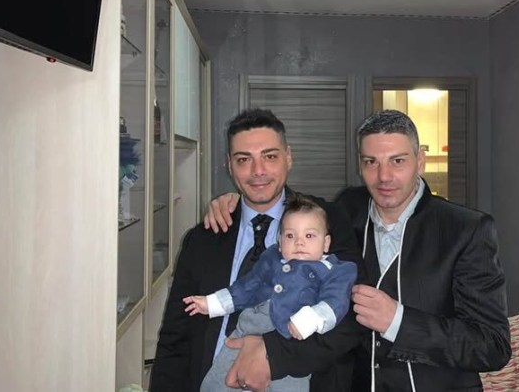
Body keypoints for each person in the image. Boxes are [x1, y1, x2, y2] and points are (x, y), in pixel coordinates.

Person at [204, 109, 512, 391]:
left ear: (420, 160)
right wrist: (239, 202)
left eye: (398, 161)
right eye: (371, 162)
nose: (384, 176)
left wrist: (398, 321)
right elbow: (295, 209)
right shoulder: (347, 209)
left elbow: (493, 346)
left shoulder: (466, 229)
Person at [150, 108, 364, 392]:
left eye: (270, 156)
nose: (258, 171)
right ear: (229, 166)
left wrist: (271, 354)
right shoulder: (203, 238)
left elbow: (351, 315)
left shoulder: (326, 221)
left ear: (288, 157)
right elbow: (175, 338)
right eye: (243, 160)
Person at [184, 192, 358, 392]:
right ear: (280, 242)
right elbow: (247, 287)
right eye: (290, 236)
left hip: (291, 339)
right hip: (250, 326)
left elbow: (336, 301)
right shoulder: (271, 258)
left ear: (326, 243)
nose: (299, 242)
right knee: (216, 382)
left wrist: (312, 318)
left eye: (309, 235)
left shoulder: (336, 270)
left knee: (292, 385)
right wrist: (213, 303)